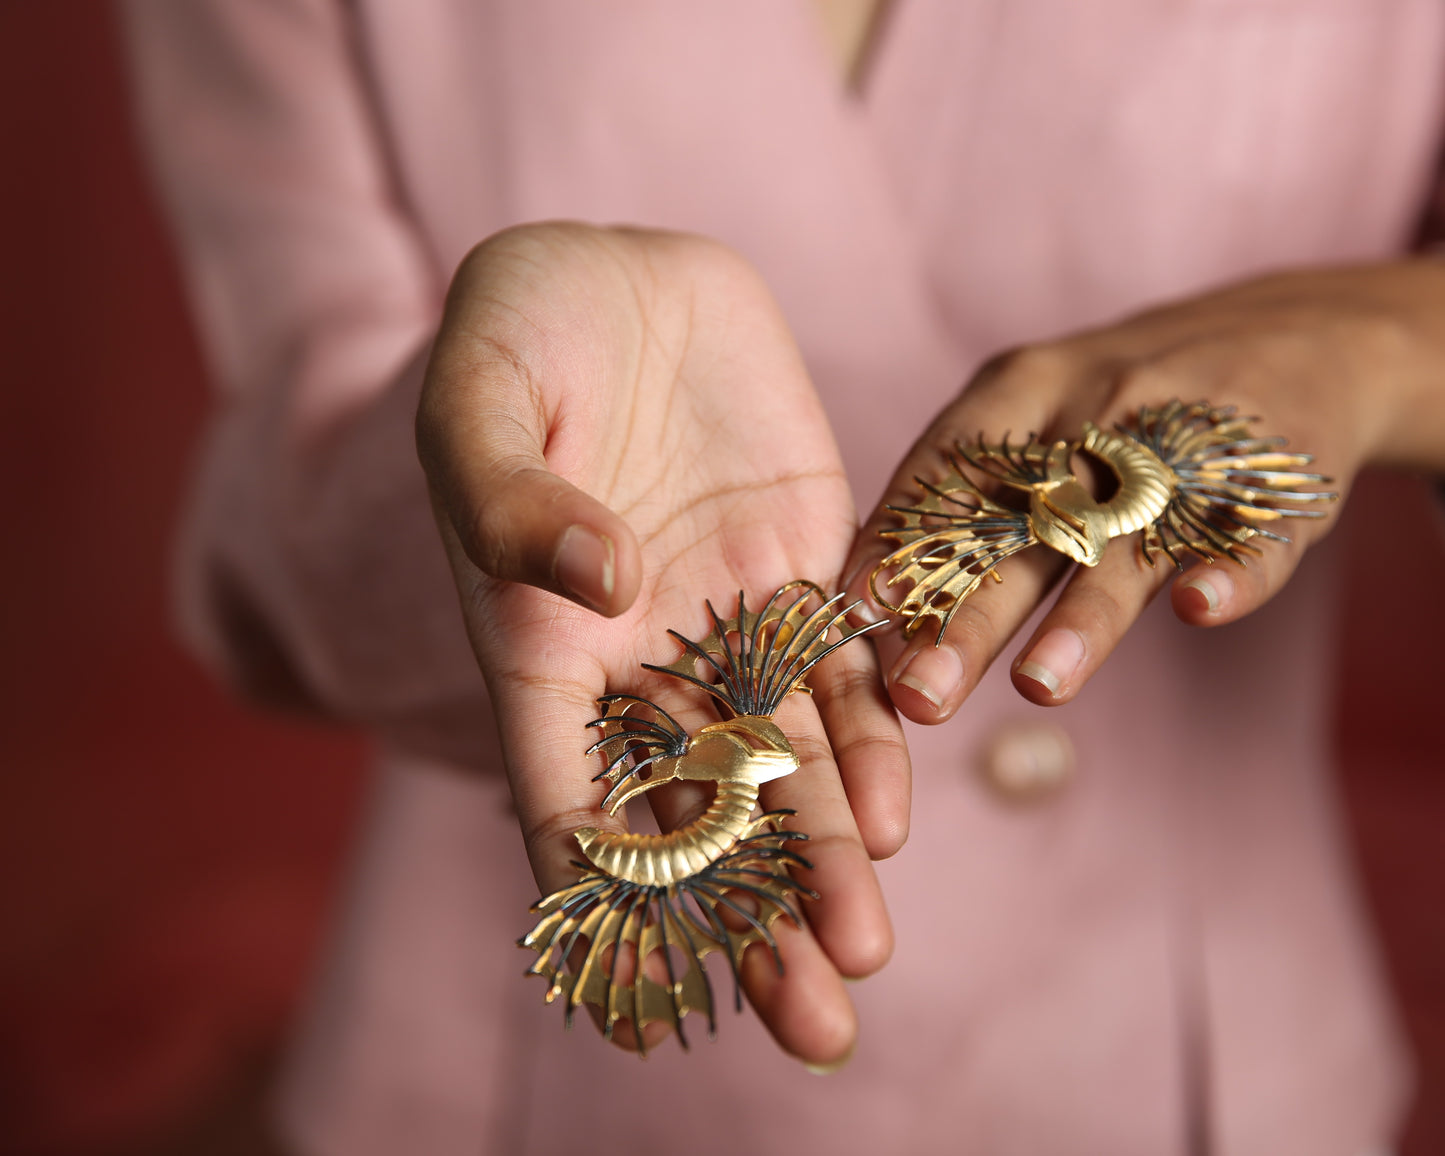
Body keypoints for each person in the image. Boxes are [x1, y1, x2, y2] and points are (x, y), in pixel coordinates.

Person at [119, 2, 1445, 1153]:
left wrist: (1384, 342)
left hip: (1192, 1067)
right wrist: (488, 465)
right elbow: (287, 531)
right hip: (527, 1084)